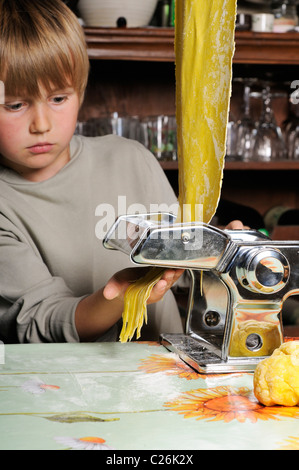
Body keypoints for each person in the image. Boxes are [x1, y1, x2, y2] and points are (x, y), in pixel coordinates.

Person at [0, 0, 243, 344]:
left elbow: (188, 265)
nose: (41, 125)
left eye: (58, 99)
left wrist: (223, 254)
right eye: (15, 104)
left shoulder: (130, 159)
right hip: (59, 390)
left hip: (168, 385)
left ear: (80, 91)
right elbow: (42, 321)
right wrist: (121, 294)